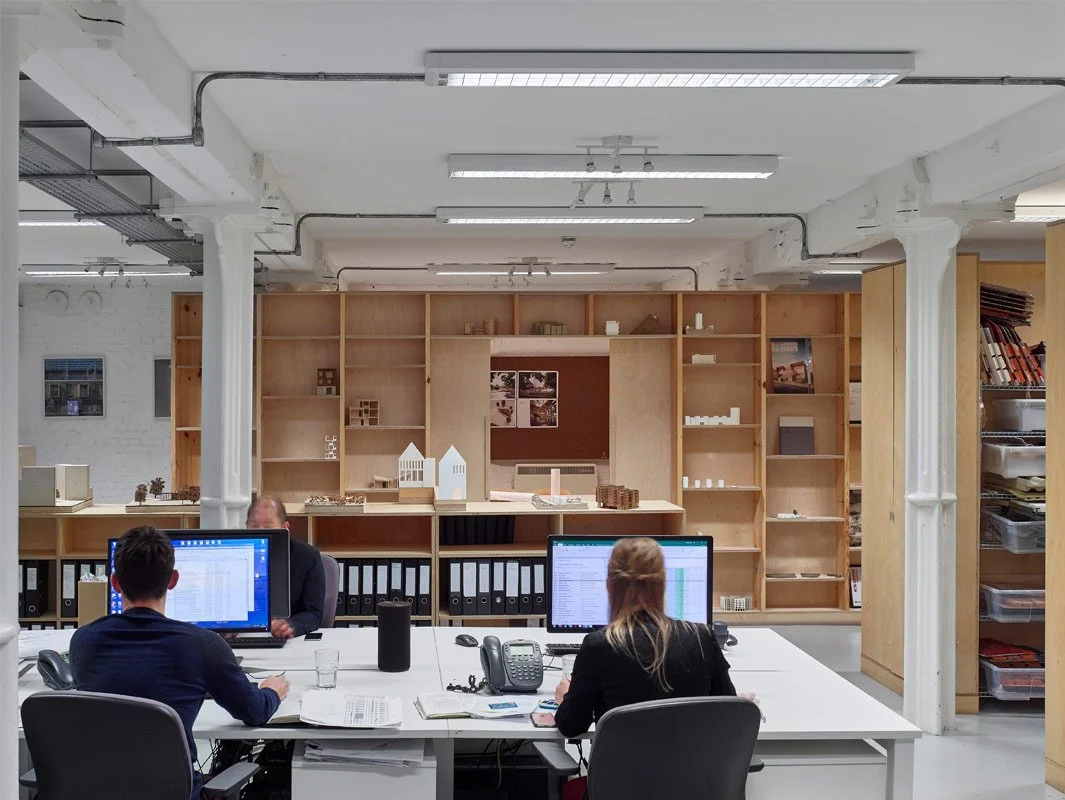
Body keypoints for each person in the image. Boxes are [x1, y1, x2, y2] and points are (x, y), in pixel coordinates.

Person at [70, 526, 288, 799]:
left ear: (114, 583)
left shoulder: (83, 642)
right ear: (173, 580)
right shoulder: (202, 645)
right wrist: (271, 691)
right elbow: (254, 712)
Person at [554, 537, 737, 738]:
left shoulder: (598, 646)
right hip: (693, 759)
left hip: (622, 760)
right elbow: (730, 714)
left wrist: (565, 699)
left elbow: (571, 726)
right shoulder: (702, 639)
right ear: (663, 585)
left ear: (609, 585)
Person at [247, 495, 324, 639]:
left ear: (285, 528)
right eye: (254, 526)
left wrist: (289, 625)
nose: (260, 532)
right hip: (241, 636)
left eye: (268, 527)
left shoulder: (307, 557)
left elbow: (314, 614)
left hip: (288, 641)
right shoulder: (234, 554)